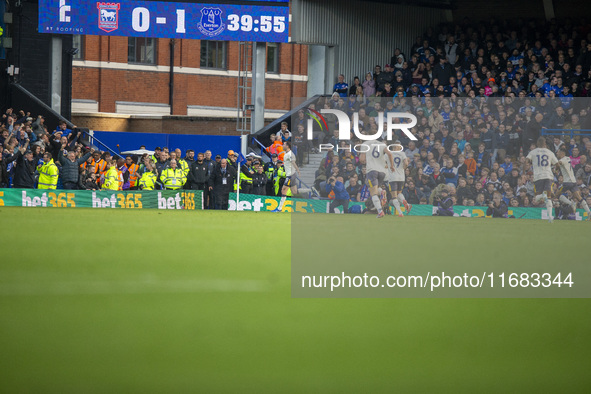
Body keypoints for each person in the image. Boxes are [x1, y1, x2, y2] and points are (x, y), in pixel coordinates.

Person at [358, 137, 394, 218]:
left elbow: (362, 159)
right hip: (382, 172)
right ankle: (381, 191)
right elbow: (390, 154)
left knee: (373, 193)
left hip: (372, 171)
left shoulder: (365, 144)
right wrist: (391, 166)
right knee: (377, 189)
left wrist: (365, 160)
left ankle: (380, 211)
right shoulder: (382, 144)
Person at [526, 137, 558, 222]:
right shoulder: (550, 152)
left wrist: (523, 171)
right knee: (548, 197)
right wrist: (556, 170)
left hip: (538, 177)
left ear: (537, 144)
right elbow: (557, 163)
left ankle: (550, 216)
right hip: (548, 176)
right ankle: (550, 216)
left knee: (537, 198)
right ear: (545, 144)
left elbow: (526, 160)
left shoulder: (533, 152)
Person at [556, 147, 591, 219]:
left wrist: (554, 165)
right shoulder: (568, 158)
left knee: (557, 196)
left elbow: (559, 163)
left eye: (558, 152)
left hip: (567, 182)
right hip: (573, 181)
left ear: (562, 153)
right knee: (579, 198)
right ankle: (589, 213)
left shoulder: (562, 160)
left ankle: (571, 203)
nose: (557, 153)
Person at [273, 142, 301, 212]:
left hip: (290, 175)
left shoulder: (290, 154)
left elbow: (293, 162)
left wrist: (298, 170)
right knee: (294, 191)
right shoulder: (286, 154)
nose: (282, 145)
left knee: (283, 190)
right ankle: (308, 194)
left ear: (287, 146)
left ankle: (279, 208)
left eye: (284, 144)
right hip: (291, 174)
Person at [386, 144, 412, 217]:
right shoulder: (402, 153)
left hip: (393, 177)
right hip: (401, 177)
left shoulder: (389, 154)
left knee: (394, 196)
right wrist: (403, 168)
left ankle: (400, 213)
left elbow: (384, 163)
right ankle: (406, 203)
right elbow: (406, 163)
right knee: (399, 193)